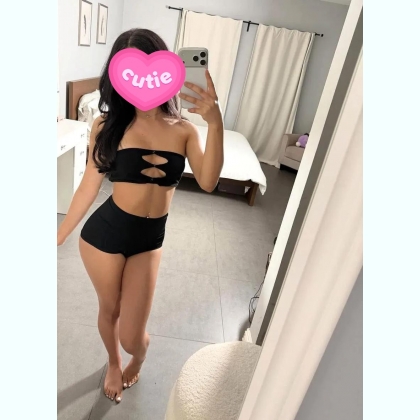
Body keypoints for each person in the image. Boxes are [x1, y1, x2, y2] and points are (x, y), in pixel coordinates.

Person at [57, 28, 223, 404]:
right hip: (103, 236)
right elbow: (88, 186)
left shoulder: (184, 131)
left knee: (134, 336)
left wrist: (215, 123)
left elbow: (209, 181)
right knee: (109, 309)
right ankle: (114, 363)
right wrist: (60, 233)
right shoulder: (106, 126)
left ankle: (136, 356)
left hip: (149, 241)